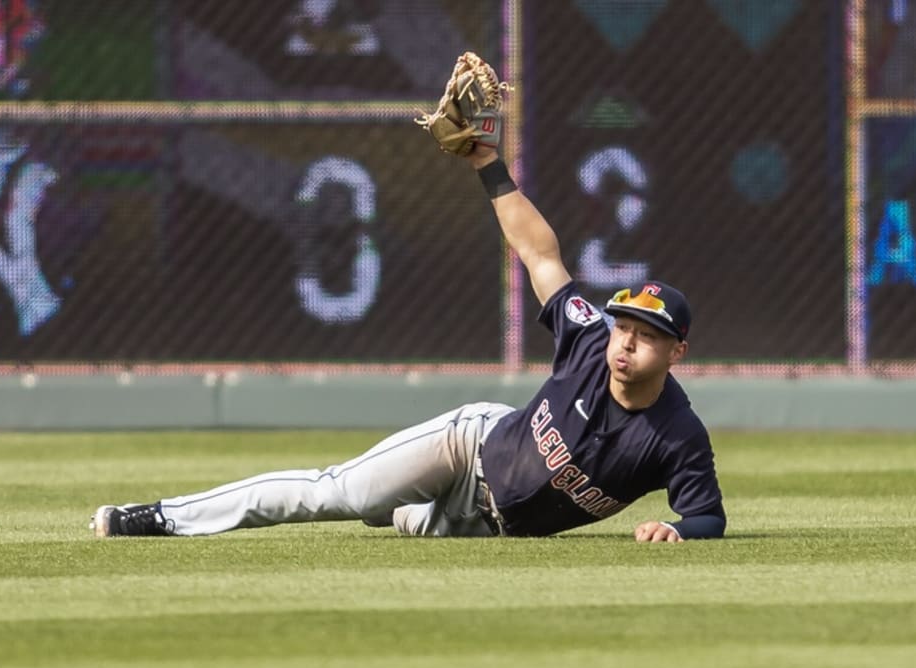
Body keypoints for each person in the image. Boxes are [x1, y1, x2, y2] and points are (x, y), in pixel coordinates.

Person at [91, 144, 726, 543]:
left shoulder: (676, 434)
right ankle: (157, 517)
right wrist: (488, 164)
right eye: (625, 327)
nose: (626, 344)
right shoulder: (591, 340)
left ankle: (404, 511)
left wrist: (674, 529)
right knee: (335, 495)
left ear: (677, 353)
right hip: (469, 447)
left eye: (648, 338)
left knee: (394, 520)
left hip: (480, 525)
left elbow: (708, 517)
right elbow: (540, 255)